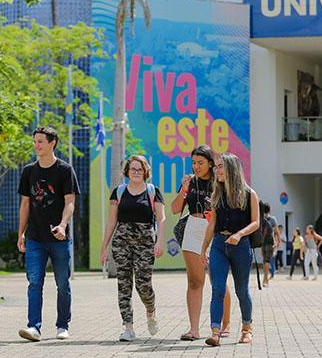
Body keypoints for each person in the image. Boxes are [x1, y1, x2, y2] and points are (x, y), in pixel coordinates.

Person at [17, 126, 80, 342]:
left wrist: (62, 225)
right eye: (35, 141)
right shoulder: (28, 171)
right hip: (35, 237)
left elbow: (70, 202)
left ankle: (63, 325)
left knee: (62, 282)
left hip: (59, 238)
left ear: (52, 143)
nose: (36, 145)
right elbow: (25, 204)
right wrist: (21, 233)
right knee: (35, 282)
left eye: (40, 141)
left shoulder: (64, 170)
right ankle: (33, 326)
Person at [100, 155, 165, 342]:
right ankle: (128, 327)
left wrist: (159, 242)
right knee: (124, 285)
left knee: (143, 285)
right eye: (133, 169)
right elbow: (112, 221)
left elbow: (161, 218)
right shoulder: (119, 192)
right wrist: (104, 248)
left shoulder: (153, 191)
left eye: (140, 169)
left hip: (145, 243)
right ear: (127, 171)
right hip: (122, 243)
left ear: (145, 172)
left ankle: (150, 311)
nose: (136, 172)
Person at [170, 145, 230, 341]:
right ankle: (194, 329)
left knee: (217, 280)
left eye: (200, 163)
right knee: (195, 281)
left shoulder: (220, 182)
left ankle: (225, 324)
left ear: (211, 164)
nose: (196, 166)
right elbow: (175, 208)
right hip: (193, 229)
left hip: (215, 230)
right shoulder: (190, 182)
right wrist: (184, 190)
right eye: (194, 163)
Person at [201, 153, 259, 347]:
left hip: (241, 247)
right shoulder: (216, 194)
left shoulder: (249, 194)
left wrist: (239, 234)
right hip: (219, 244)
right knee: (217, 289)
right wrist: (204, 249)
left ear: (232, 169)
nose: (216, 170)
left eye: (220, 166)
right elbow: (212, 224)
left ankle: (246, 329)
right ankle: (215, 332)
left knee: (241, 290)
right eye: (216, 166)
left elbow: (256, 223)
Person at [261, 202, 280, 286]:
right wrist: (278, 241)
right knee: (268, 261)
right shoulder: (273, 219)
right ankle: (266, 280)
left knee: (264, 260)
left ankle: (264, 279)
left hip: (262, 242)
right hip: (270, 242)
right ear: (269, 210)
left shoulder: (261, 219)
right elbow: (277, 231)